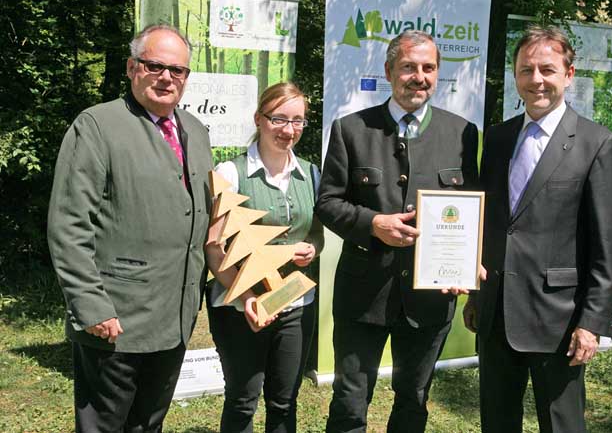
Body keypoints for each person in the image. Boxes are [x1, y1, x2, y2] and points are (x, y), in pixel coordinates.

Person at [47, 24, 213, 432]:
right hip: (116, 319)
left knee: (148, 423)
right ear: (131, 67)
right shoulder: (97, 126)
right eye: (154, 65)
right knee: (105, 424)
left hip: (174, 316)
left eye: (178, 70)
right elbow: (69, 224)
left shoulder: (196, 131)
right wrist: (90, 305)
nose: (167, 77)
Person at [316, 30, 480, 433]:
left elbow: (472, 212)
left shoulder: (461, 133)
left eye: (428, 68)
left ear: (438, 74)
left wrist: (464, 266)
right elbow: (327, 204)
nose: (418, 77)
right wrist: (373, 224)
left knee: (413, 400)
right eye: (408, 67)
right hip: (363, 297)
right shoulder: (351, 129)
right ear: (390, 72)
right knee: (350, 402)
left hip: (429, 301)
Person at [463, 25, 612, 433]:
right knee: (497, 422)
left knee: (562, 425)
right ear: (515, 75)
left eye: (547, 70)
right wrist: (476, 293)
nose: (536, 80)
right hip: (496, 312)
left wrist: (592, 323)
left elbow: (607, 245)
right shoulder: (497, 139)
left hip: (561, 321)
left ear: (568, 75)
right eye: (526, 70)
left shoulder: (598, 144)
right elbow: (493, 224)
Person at [205, 82, 324, 433]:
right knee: (243, 401)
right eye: (279, 119)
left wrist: (313, 248)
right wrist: (247, 297)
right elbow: (214, 249)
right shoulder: (231, 173)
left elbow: (316, 232)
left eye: (298, 121)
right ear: (259, 119)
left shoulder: (312, 174)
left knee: (284, 402)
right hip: (242, 309)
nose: (289, 130)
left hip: (296, 304)